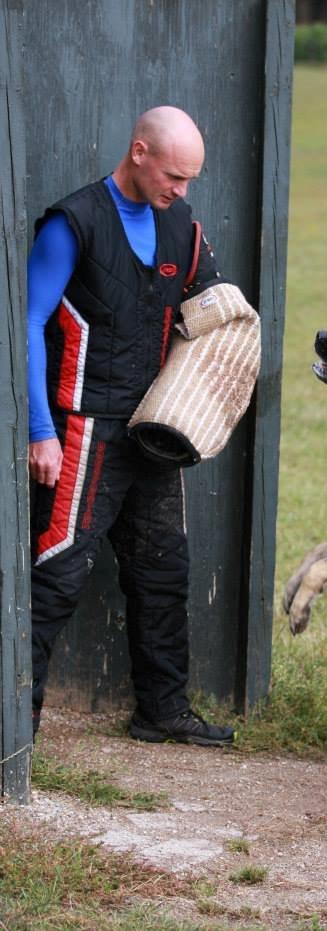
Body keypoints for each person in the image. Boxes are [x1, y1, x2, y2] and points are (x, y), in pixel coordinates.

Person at [28, 106, 235, 747]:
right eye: (174, 175)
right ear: (138, 152)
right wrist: (40, 430)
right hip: (82, 430)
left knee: (163, 572)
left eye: (190, 180)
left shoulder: (183, 229)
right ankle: (13, 731)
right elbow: (27, 325)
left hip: (153, 431)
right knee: (56, 576)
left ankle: (162, 711)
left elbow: (216, 315)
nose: (181, 190)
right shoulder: (73, 223)